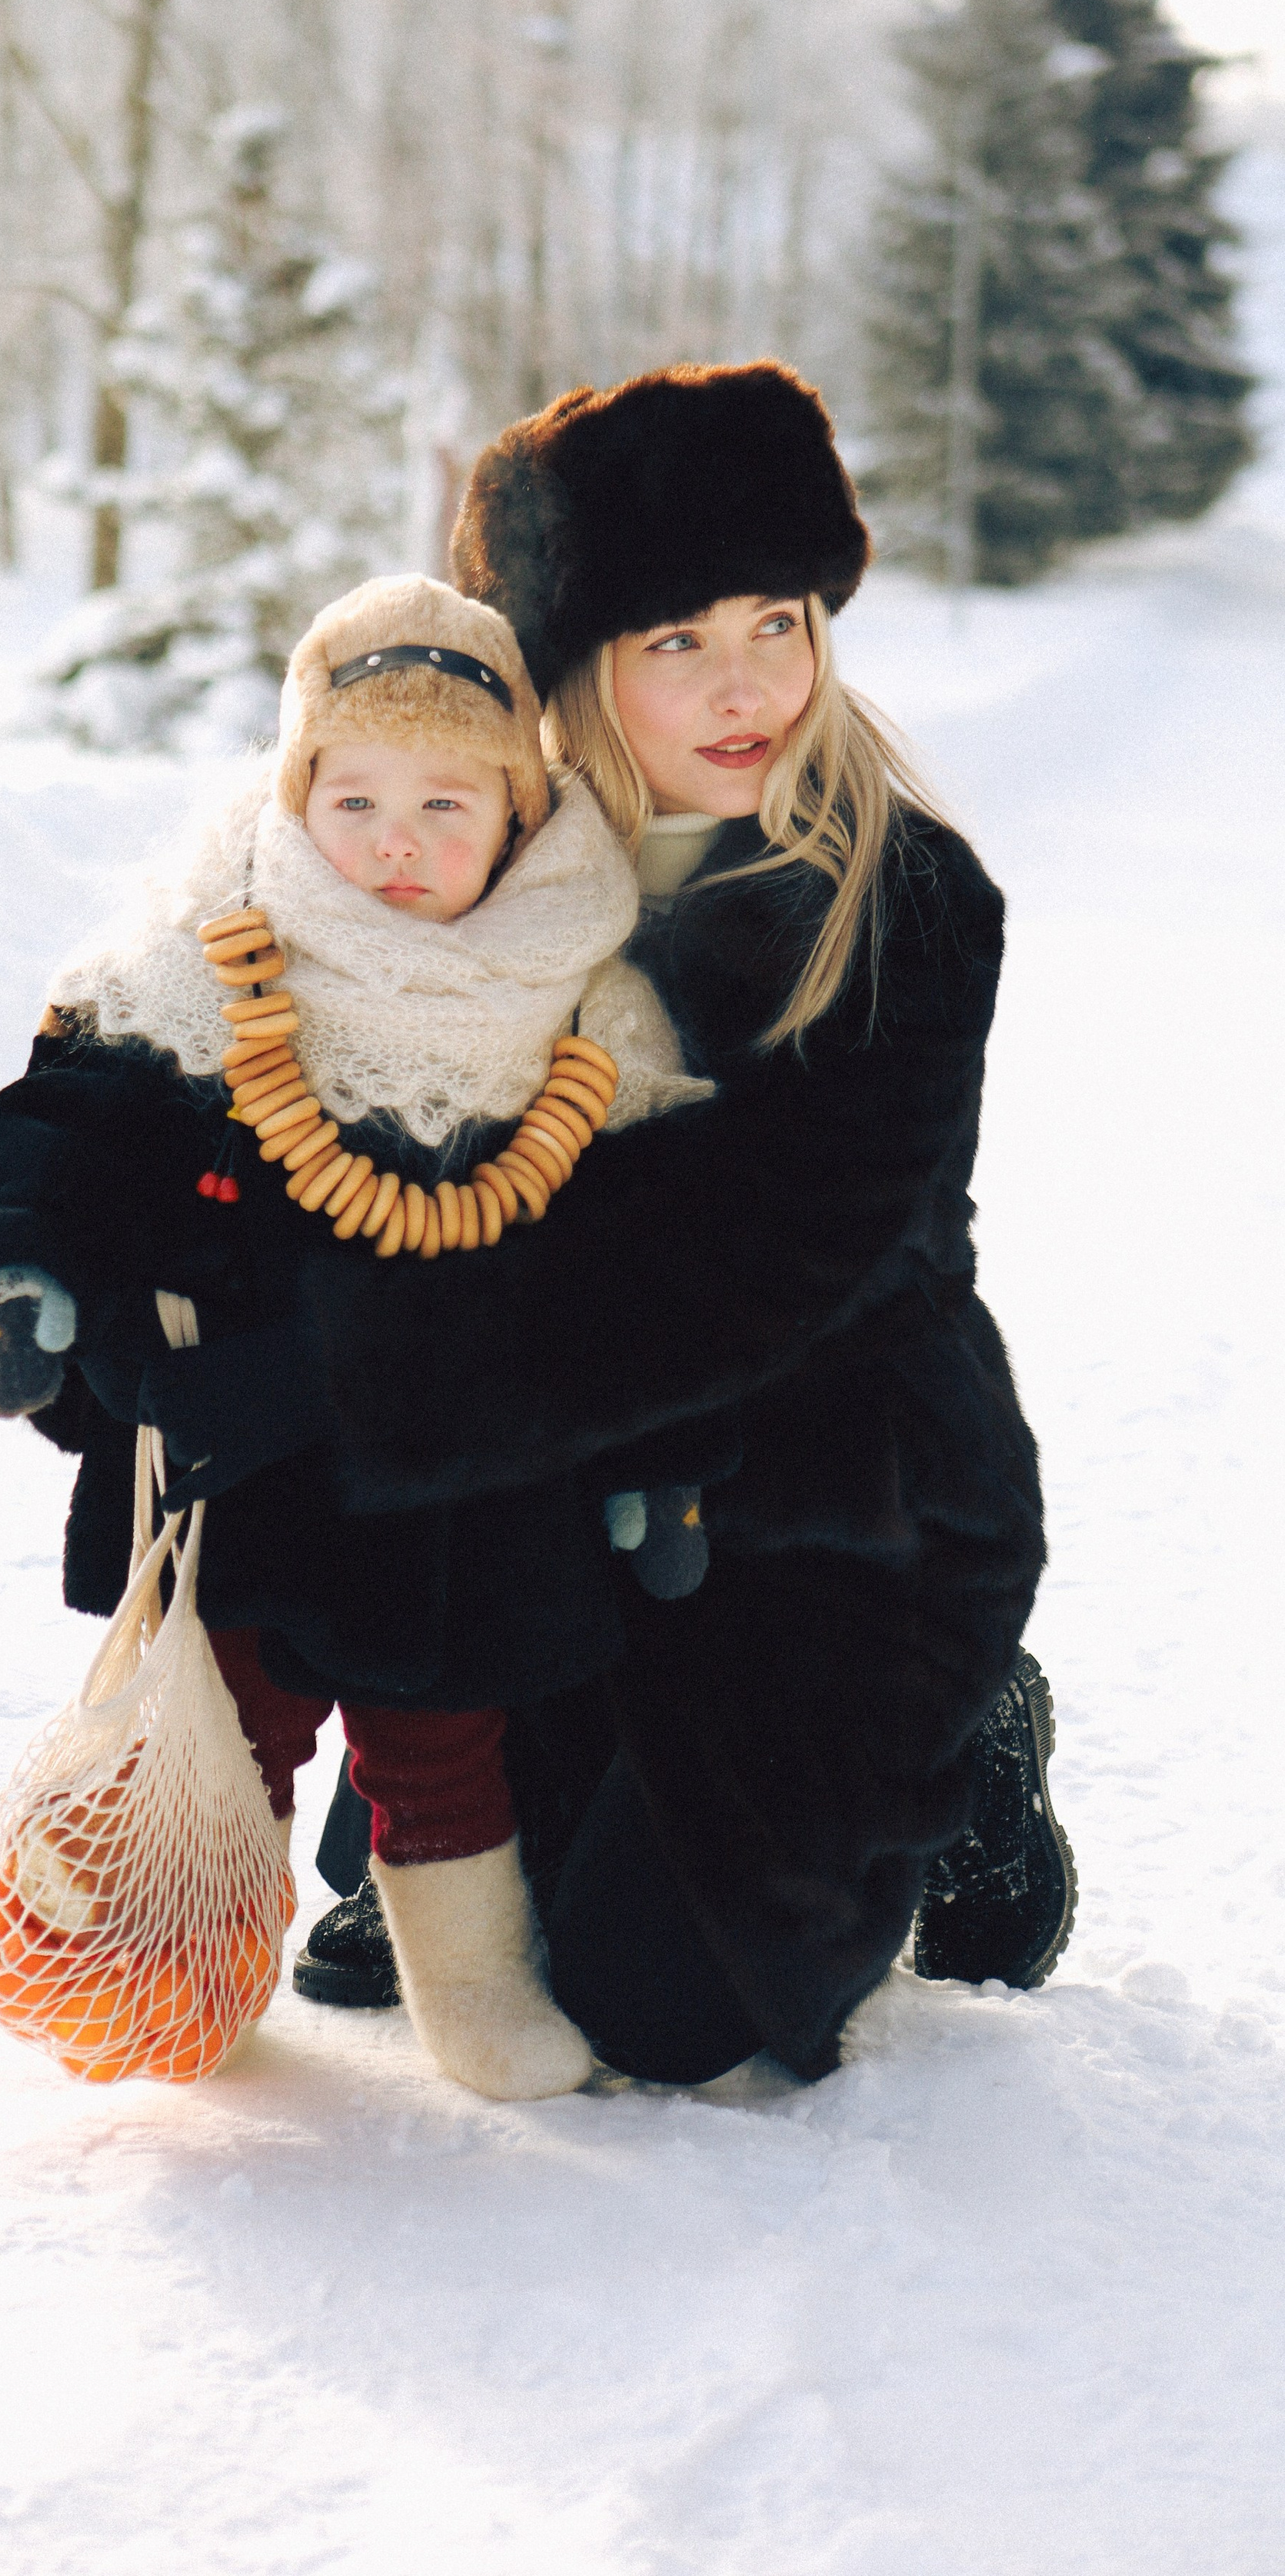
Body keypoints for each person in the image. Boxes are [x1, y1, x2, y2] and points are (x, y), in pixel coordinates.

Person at [292, 362, 1075, 2084]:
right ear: (577, 669)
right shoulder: (491, 869)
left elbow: (761, 1272)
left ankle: (970, 1742)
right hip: (585, 1478)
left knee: (664, 2018)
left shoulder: (901, 900)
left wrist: (405, 1391)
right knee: (466, 1887)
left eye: (775, 623)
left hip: (837, 1489)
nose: (746, 688)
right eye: (675, 643)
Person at [0, 575, 710, 2098]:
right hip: (248, 1469)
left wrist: (661, 1461)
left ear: (516, 812)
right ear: (293, 797)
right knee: (225, 1725)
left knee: (442, 1749)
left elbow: (652, 1281)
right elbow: (57, 1143)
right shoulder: (196, 976)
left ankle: (474, 1988)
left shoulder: (584, 1016)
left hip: (461, 1502)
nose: (394, 842)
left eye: (443, 802)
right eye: (351, 799)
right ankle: (183, 1947)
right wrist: (22, 1271)